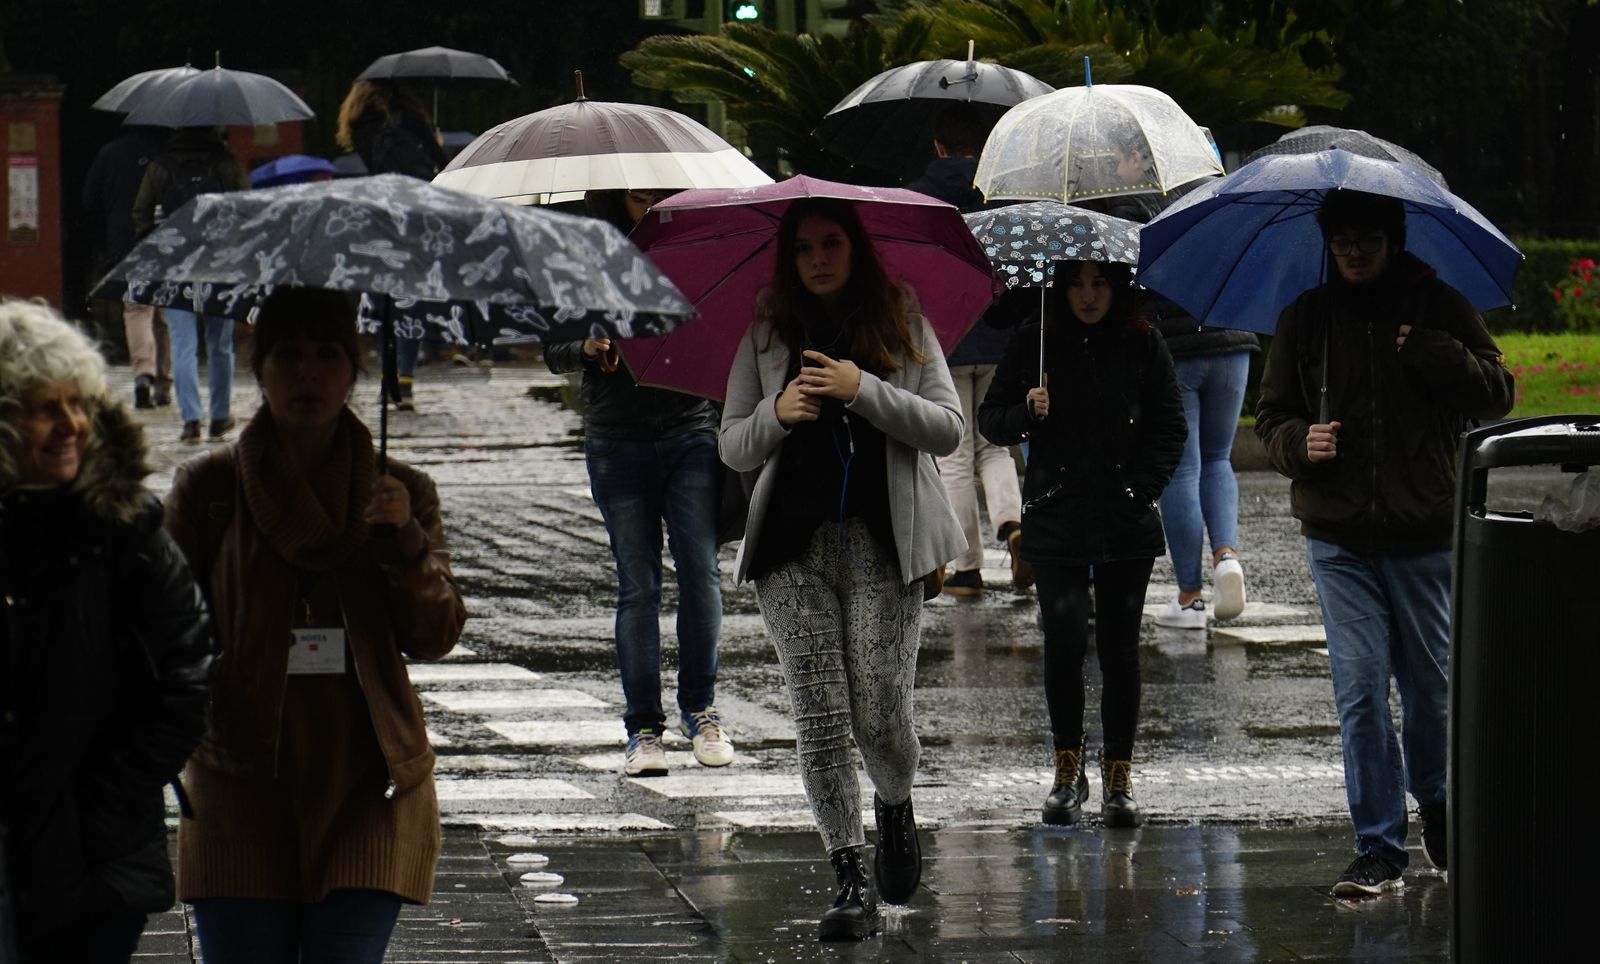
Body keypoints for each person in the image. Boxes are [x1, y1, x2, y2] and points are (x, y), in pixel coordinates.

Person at [163, 287, 467, 961]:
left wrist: (405, 545)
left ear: (355, 370)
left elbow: (436, 634)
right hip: (239, 784)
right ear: (258, 366)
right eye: (289, 354)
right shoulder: (208, 490)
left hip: (369, 783)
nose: (308, 372)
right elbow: (160, 634)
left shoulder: (401, 491)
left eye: (328, 354)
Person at [719, 198, 966, 940]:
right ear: (789, 260)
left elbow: (949, 430)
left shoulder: (901, 318)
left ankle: (894, 803)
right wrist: (778, 410)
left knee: (881, 712)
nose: (819, 258)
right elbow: (732, 443)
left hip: (882, 543)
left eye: (831, 244)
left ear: (854, 249)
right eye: (804, 248)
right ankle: (848, 875)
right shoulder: (766, 329)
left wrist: (866, 390)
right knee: (821, 716)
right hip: (792, 551)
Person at [1255, 189, 1513, 897]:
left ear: (1394, 238)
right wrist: (1297, 444)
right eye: (1341, 241)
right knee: (1361, 692)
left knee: (1430, 692)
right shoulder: (1305, 318)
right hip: (1338, 539)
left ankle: (1437, 797)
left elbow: (1498, 393)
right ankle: (1377, 846)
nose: (1354, 252)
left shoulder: (1438, 306)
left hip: (1424, 534)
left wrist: (1436, 355)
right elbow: (1273, 414)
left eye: (1367, 238)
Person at [0, 299, 213, 963]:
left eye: (79, 404)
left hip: (92, 867)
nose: (70, 425)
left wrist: (97, 810)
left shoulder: (126, 533)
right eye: (44, 408)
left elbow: (186, 681)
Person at [978, 260, 1185, 828]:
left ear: (1117, 286)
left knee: (1120, 650)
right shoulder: (1035, 340)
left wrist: (1140, 488)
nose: (1088, 296)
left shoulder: (1142, 340)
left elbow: (1171, 425)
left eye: (1099, 283)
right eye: (1076, 283)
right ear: (1059, 287)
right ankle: (1067, 771)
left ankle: (1120, 776)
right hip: (1056, 517)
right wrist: (1027, 412)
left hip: (1124, 522)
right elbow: (990, 420)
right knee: (1064, 643)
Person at [543, 185, 733, 777]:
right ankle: (643, 728)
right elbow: (552, 349)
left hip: (689, 429)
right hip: (617, 439)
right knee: (639, 586)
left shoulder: (694, 244)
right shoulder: (585, 251)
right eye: (631, 186)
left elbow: (726, 327)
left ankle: (700, 708)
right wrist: (588, 347)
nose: (643, 192)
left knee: (700, 572)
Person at [906, 103, 1029, 597]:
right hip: (1000, 338)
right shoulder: (997, 194)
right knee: (994, 446)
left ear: (938, 146)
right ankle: (1013, 526)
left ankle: (968, 566)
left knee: (955, 454)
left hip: (944, 339)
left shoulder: (916, 198)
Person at [336, 79, 449, 412]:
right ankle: (405, 382)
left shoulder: (359, 126)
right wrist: (435, 142)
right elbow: (441, 164)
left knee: (382, 297)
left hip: (380, 215)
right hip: (415, 215)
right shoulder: (412, 119)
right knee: (410, 295)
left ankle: (387, 382)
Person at [131, 126, 248, 442]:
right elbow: (246, 211)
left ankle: (191, 419)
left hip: (176, 264)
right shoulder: (228, 165)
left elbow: (140, 212)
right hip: (220, 265)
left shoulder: (160, 167)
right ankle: (220, 415)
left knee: (184, 344)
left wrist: (155, 242)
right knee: (220, 344)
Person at [1151, 307, 1258, 629]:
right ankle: (1226, 557)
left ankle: (1190, 598)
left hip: (1176, 348)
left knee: (1182, 469)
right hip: (1233, 337)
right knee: (1218, 457)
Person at [84, 124, 172, 410]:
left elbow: (89, 200)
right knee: (164, 317)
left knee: (136, 311)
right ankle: (163, 383)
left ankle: (142, 376)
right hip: (165, 244)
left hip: (125, 244)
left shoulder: (109, 154)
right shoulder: (166, 156)